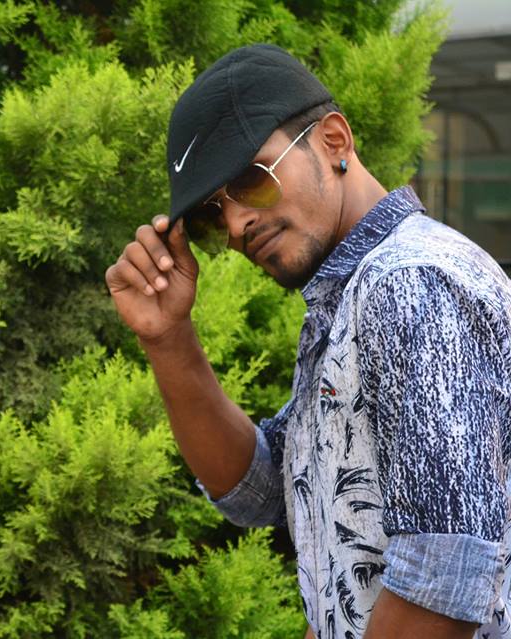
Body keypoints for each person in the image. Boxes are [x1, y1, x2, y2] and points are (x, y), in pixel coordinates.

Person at [105, 43, 511, 639]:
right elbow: (264, 490)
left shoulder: (410, 283)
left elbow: (444, 574)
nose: (237, 224)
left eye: (251, 180)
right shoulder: (351, 295)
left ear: (334, 141)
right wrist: (168, 339)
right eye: (213, 216)